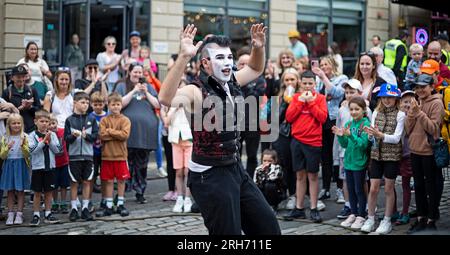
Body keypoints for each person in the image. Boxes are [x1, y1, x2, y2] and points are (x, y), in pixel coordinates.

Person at [159, 24, 280, 235]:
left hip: (234, 168)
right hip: (209, 176)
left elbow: (255, 69)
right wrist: (184, 56)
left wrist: (258, 47)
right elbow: (165, 98)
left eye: (229, 57)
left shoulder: (231, 81)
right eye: (220, 58)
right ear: (205, 62)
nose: (227, 63)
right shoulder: (196, 91)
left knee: (267, 226)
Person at [285, 70, 328, 223]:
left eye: (311, 83)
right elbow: (289, 117)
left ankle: (314, 208)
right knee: (300, 175)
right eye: (305, 84)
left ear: (315, 84)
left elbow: (322, 118)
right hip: (297, 141)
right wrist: (301, 102)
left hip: (313, 142)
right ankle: (299, 208)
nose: (308, 86)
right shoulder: (296, 97)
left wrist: (310, 103)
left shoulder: (321, 98)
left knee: (313, 176)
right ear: (300, 84)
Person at [361, 83, 404, 234]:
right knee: (373, 188)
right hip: (376, 155)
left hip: (391, 156)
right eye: (384, 97)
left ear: (395, 98)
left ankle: (387, 219)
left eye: (390, 97)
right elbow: (373, 133)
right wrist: (370, 134)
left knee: (388, 188)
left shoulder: (400, 114)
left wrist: (380, 135)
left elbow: (397, 138)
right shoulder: (376, 112)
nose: (387, 100)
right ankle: (371, 218)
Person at [115, 63, 160, 204]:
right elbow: (119, 104)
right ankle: (122, 192)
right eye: (135, 72)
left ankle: (140, 191)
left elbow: (157, 104)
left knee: (142, 164)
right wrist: (134, 90)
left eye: (140, 72)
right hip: (127, 132)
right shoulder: (122, 85)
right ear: (129, 72)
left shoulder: (149, 86)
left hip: (145, 133)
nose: (138, 75)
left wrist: (146, 92)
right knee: (126, 162)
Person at [405, 74, 445, 234]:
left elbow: (434, 129)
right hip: (414, 151)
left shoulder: (437, 104)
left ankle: (431, 219)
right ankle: (421, 217)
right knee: (419, 187)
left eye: (423, 86)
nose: (420, 90)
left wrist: (419, 112)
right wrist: (411, 113)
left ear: (431, 87)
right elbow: (408, 129)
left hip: (429, 152)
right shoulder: (417, 101)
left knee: (431, 187)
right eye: (417, 87)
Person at [333, 79, 372, 220]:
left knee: (359, 189)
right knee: (350, 189)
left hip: (359, 162)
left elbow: (363, 144)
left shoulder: (365, 123)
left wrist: (351, 136)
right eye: (352, 109)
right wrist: (341, 136)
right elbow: (344, 144)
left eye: (357, 109)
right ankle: (353, 213)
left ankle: (362, 214)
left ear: (363, 110)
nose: (354, 112)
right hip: (348, 161)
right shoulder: (349, 123)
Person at [312, 55, 347, 205]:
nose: (324, 67)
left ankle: (339, 189)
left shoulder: (342, 78)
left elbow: (338, 93)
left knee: (337, 156)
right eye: (322, 65)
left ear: (333, 65)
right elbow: (317, 97)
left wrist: (324, 78)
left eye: (326, 64)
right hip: (321, 119)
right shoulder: (318, 80)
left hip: (334, 119)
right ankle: (325, 188)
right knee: (325, 156)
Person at [64, 91, 98, 222]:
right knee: (73, 183)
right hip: (74, 157)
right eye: (82, 102)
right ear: (75, 103)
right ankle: (73, 208)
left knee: (87, 182)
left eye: (87, 103)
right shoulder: (69, 120)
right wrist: (73, 136)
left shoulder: (91, 119)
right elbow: (66, 139)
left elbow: (95, 137)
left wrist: (86, 136)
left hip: (88, 157)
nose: (85, 105)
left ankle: (85, 208)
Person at [96, 92, 131, 217]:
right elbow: (102, 136)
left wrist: (110, 131)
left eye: (118, 104)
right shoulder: (104, 120)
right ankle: (109, 205)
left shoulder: (125, 120)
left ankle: (120, 204)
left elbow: (124, 135)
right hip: (107, 156)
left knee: (121, 181)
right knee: (109, 181)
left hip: (121, 156)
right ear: (108, 105)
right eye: (113, 104)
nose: (115, 107)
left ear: (121, 105)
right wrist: (115, 134)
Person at [271, 68, 300, 210]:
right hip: (283, 134)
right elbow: (275, 119)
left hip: (299, 134)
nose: (290, 82)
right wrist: (286, 103)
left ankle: (298, 195)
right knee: (286, 165)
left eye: (292, 79)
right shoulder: (279, 96)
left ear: (297, 80)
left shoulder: (302, 94)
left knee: (299, 167)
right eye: (287, 80)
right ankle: (290, 194)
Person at [28, 110, 63, 226]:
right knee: (37, 193)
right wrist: (43, 142)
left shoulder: (52, 135)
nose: (44, 124)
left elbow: (58, 150)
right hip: (38, 168)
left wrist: (50, 141)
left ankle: (48, 213)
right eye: (41, 121)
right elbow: (32, 150)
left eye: (46, 121)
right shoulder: (32, 135)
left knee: (49, 192)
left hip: (50, 167)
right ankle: (36, 214)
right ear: (35, 122)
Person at [237, 52, 266, 178]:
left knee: (252, 155)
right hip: (235, 124)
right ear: (237, 65)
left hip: (252, 124)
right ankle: (237, 178)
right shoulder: (230, 80)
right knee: (235, 155)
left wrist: (244, 83)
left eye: (246, 64)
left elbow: (255, 97)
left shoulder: (259, 79)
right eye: (241, 64)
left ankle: (249, 180)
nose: (244, 66)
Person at [0, 114, 30, 225]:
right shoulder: (5, 137)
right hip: (9, 165)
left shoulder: (25, 136)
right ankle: (10, 213)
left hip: (20, 164)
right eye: (14, 123)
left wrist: (23, 146)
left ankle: (19, 213)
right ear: (9, 125)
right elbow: (2, 156)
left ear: (22, 124)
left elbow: (28, 154)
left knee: (20, 190)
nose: (16, 125)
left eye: (18, 123)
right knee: (10, 191)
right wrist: (7, 148)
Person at [167, 86, 194, 213]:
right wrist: (174, 109)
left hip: (188, 141)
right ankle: (179, 197)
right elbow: (166, 121)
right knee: (178, 171)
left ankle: (188, 198)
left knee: (188, 171)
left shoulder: (191, 107)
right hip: (176, 141)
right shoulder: (173, 107)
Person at [395, 90, 415, 225]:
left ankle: (405, 212)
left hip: (409, 154)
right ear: (400, 103)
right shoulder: (397, 115)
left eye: (410, 102)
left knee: (406, 184)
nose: (407, 104)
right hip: (396, 154)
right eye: (405, 102)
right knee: (392, 184)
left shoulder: (415, 116)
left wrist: (409, 115)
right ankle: (393, 211)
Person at [2, 65, 41, 133]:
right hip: (13, 130)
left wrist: (30, 107)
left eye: (23, 77)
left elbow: (39, 111)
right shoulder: (7, 92)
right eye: (18, 77)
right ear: (12, 78)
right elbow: (4, 113)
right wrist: (17, 108)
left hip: (30, 128)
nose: (21, 79)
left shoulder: (32, 90)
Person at [88, 92, 108, 204]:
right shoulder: (90, 117)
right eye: (95, 104)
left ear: (104, 104)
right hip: (92, 151)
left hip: (105, 151)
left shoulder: (107, 116)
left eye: (100, 104)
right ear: (91, 104)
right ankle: (89, 200)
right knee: (92, 175)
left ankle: (105, 199)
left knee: (105, 176)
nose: (98, 107)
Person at [49, 115, 70, 214]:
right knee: (54, 185)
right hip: (53, 164)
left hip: (64, 162)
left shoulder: (63, 131)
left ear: (57, 123)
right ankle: (55, 202)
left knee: (64, 185)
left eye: (53, 123)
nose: (52, 126)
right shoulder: (47, 135)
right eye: (49, 124)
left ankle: (63, 202)